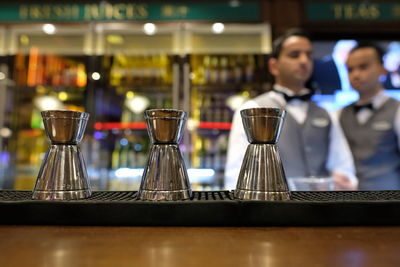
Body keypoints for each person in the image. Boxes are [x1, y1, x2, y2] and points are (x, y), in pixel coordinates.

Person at [225, 29, 357, 190]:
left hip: (322, 209)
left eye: (308, 55)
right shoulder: (253, 109)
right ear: (274, 66)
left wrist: (343, 182)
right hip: (273, 210)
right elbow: (236, 173)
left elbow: (342, 164)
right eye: (294, 55)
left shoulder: (327, 113)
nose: (304, 61)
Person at [340, 42, 400, 190]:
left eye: (363, 67)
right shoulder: (340, 114)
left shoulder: (397, 109)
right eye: (350, 69)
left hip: (390, 203)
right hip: (349, 202)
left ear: (382, 69)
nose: (355, 74)